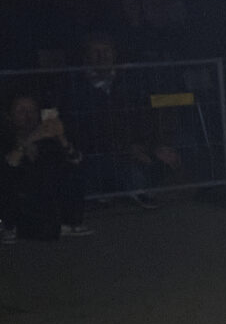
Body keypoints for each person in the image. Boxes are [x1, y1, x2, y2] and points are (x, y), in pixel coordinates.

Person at [63, 33, 177, 207]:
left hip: (135, 146)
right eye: (96, 52)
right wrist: (125, 148)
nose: (102, 57)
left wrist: (153, 145)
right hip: (99, 152)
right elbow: (85, 130)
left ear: (114, 53)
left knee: (166, 155)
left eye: (106, 51)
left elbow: (144, 118)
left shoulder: (129, 81)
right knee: (122, 169)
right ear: (87, 57)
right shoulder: (77, 87)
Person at [0, 94, 89, 242]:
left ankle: (69, 221)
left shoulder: (47, 139)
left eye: (32, 111)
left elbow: (76, 161)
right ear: (9, 116)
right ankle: (6, 226)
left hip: (41, 195)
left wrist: (62, 138)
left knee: (72, 176)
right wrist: (30, 139)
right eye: (21, 111)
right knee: (5, 182)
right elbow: (5, 168)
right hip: (17, 194)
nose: (28, 116)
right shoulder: (1, 138)